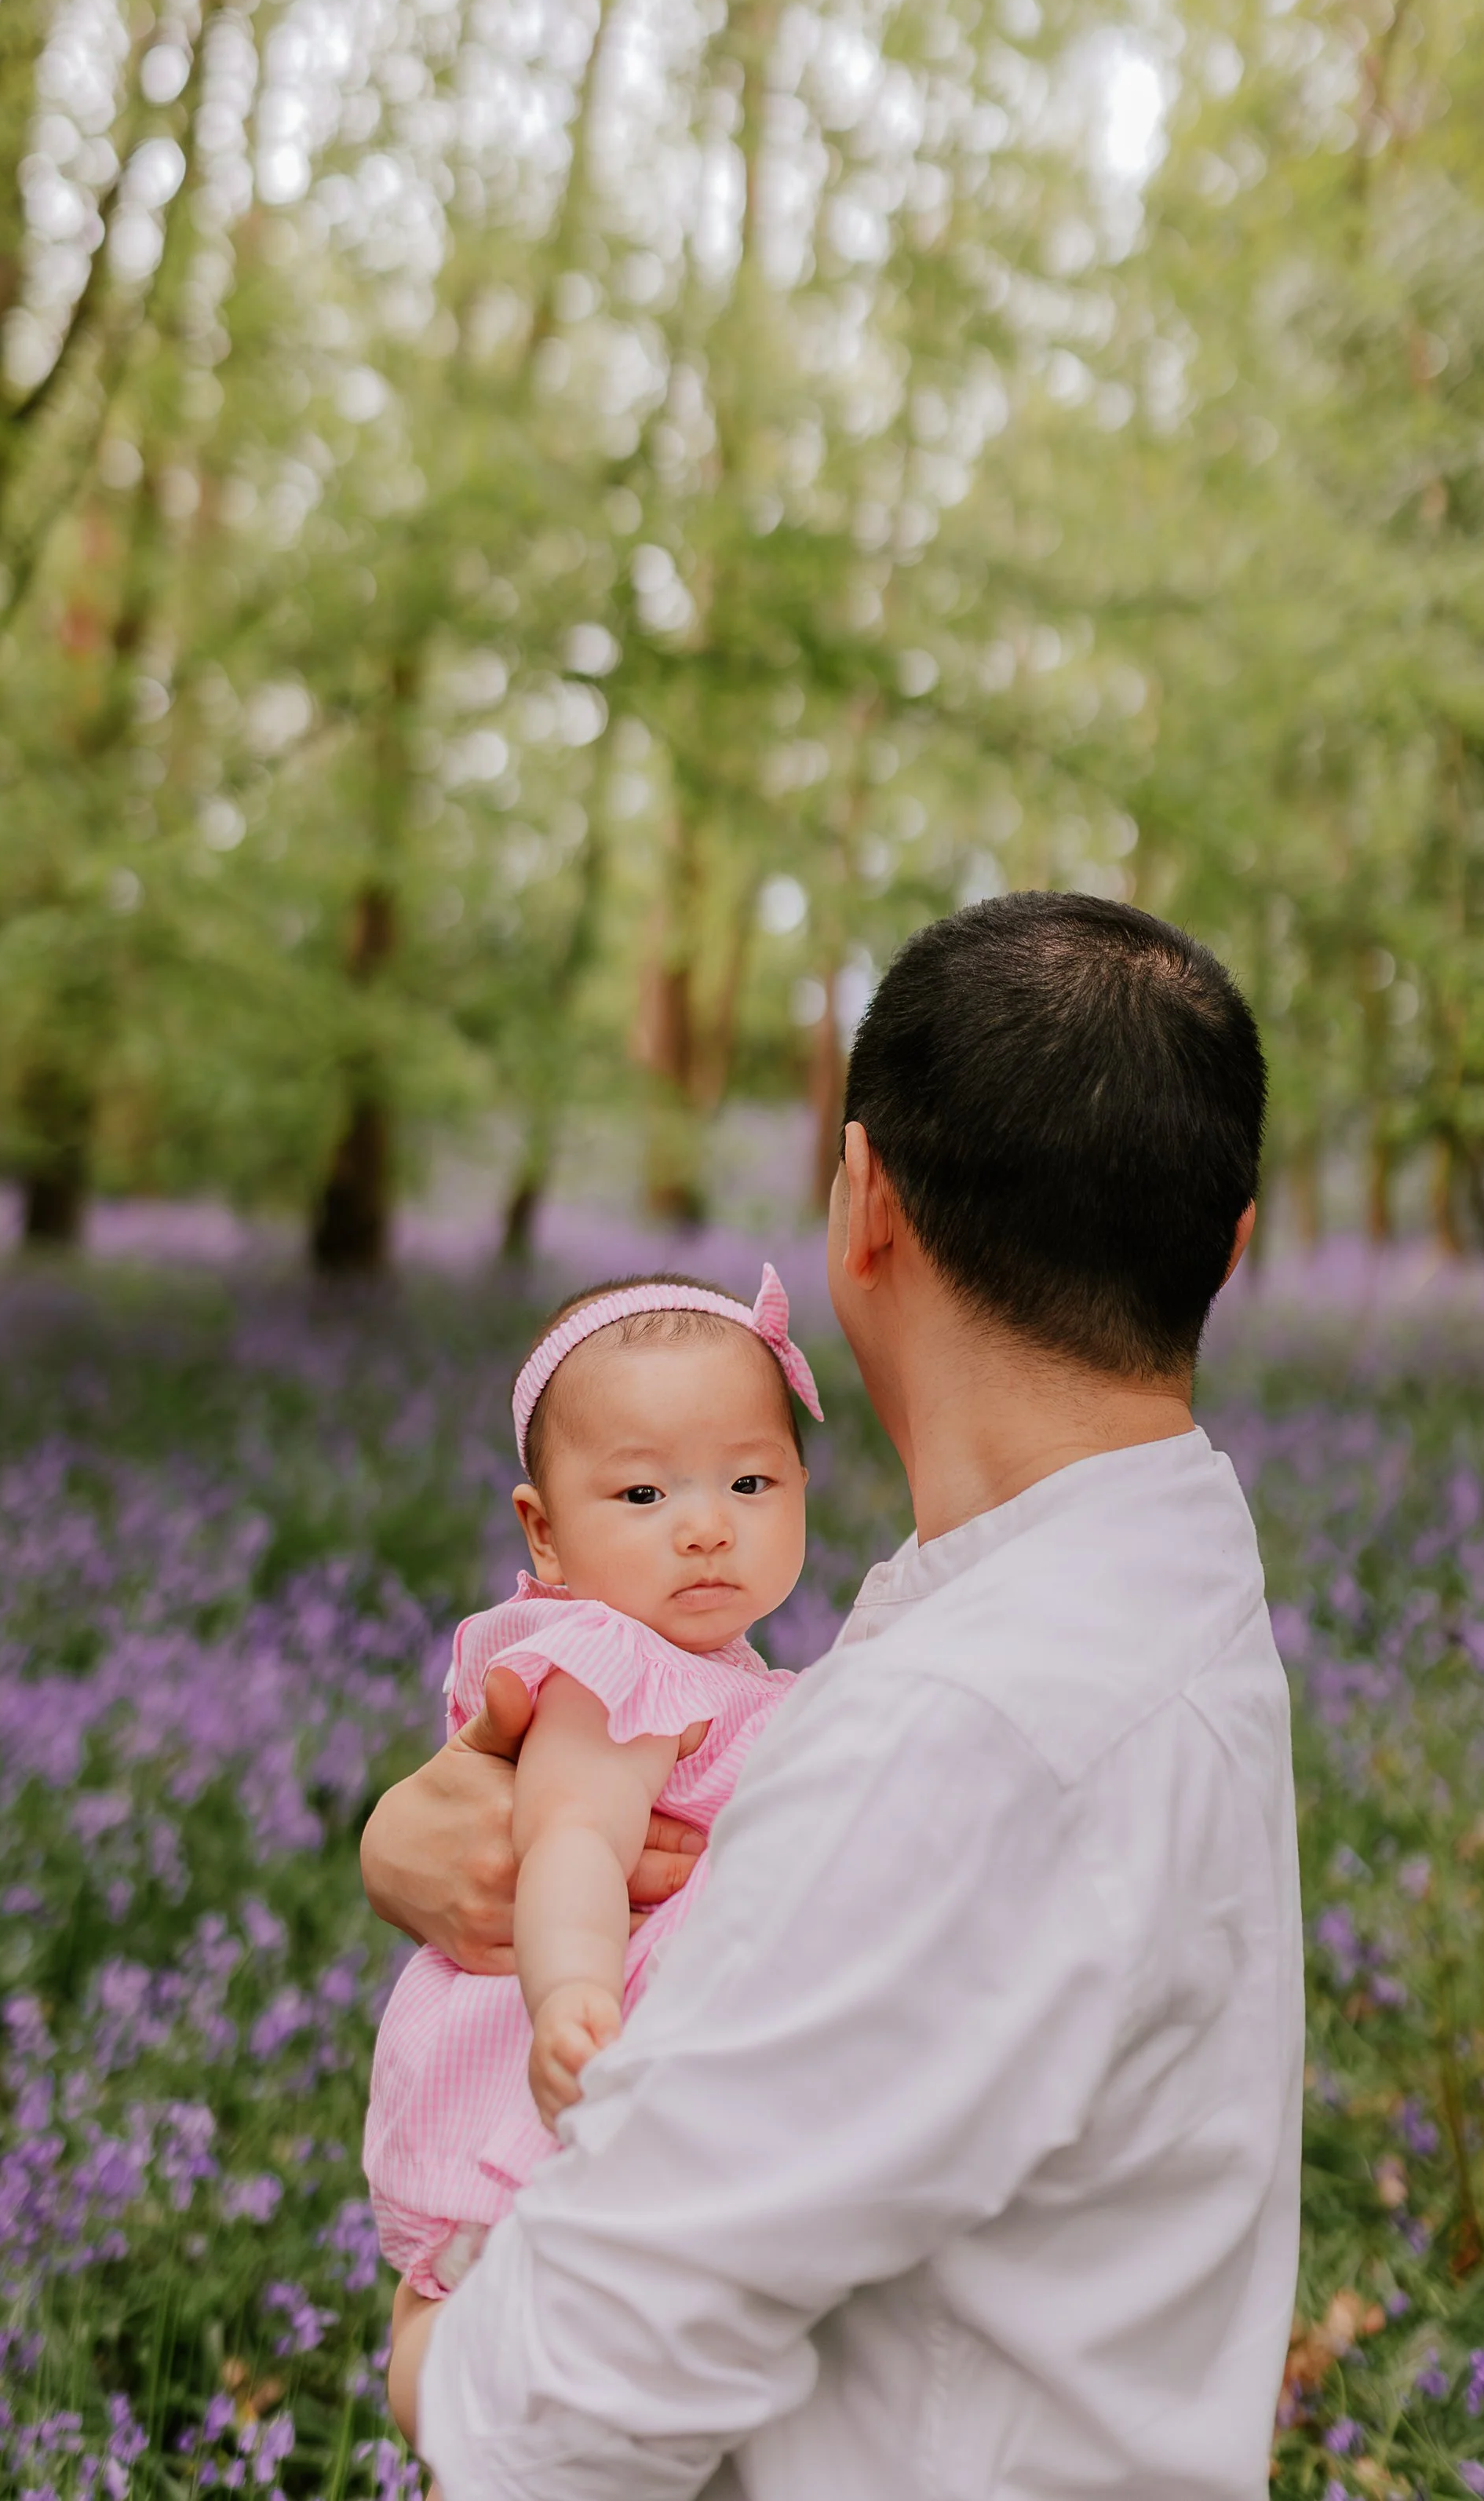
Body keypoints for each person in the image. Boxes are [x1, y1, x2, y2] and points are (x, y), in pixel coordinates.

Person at [360, 890, 1303, 2501]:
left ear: (859, 1205)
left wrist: (427, 2348)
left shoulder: (955, 1727)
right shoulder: (1141, 1591)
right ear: (1230, 1243)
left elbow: (554, 2415)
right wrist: (440, 1837)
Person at [365, 1265, 821, 2439]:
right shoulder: (616, 1665)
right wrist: (571, 1995)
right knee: (523, 2370)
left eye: (750, 1479)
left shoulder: (741, 1683)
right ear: (544, 1531)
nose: (706, 1521)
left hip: (625, 2103)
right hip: (549, 2093)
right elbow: (571, 1835)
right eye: (641, 1491)